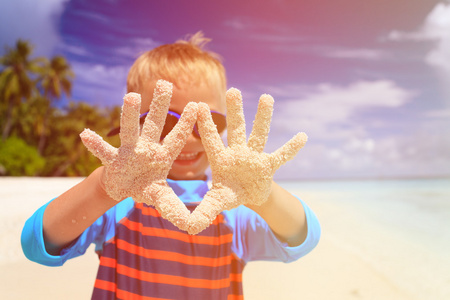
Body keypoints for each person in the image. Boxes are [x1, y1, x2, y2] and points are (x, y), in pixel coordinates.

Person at [21, 32, 321, 299]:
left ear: (225, 125)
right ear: (136, 124)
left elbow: (302, 239)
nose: (186, 139)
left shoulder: (234, 210)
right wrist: (102, 188)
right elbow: (37, 245)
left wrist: (264, 195)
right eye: (164, 121)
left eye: (207, 122)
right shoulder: (119, 203)